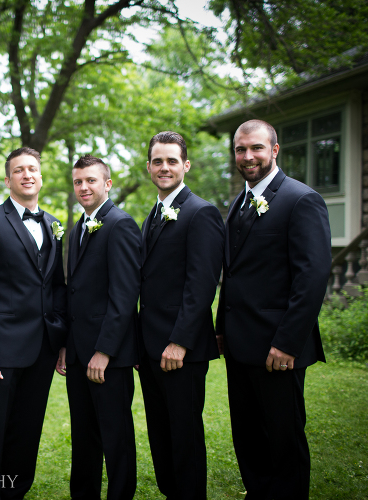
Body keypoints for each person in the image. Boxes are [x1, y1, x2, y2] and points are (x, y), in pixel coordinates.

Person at [216, 119, 331, 499]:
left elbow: (311, 278)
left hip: (277, 349)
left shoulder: (301, 199)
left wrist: (288, 343)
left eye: (256, 148)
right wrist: (221, 329)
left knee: (283, 439)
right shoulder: (238, 202)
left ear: (275, 150)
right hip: (239, 345)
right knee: (247, 435)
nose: (248, 156)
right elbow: (232, 275)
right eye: (240, 149)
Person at [0, 147, 68, 499]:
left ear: (41, 177)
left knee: (28, 428)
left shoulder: (54, 224)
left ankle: (17, 490)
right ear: (8, 180)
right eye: (19, 170)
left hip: (42, 348)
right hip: (1, 351)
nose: (27, 175)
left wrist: (61, 339)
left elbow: (55, 286)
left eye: (33, 169)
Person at [137, 132, 224, 500]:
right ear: (149, 168)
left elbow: (202, 284)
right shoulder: (152, 215)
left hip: (180, 350)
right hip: (150, 347)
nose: (164, 167)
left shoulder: (201, 212)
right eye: (158, 161)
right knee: (159, 432)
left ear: (185, 165)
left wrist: (179, 342)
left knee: (184, 435)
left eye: (172, 160)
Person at [58, 154, 141, 500]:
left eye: (91, 180)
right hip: (78, 355)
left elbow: (124, 296)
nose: (83, 187)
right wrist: (66, 345)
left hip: (108, 357)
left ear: (107, 184)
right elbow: (74, 292)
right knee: (84, 436)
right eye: (78, 182)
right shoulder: (78, 226)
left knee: (116, 437)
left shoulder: (120, 225)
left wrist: (104, 352)